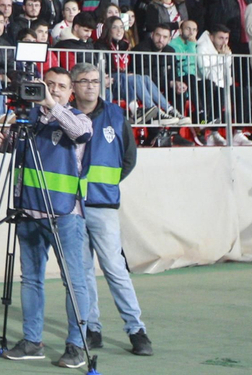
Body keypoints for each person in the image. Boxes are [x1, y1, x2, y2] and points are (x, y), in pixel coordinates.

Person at [0, 67, 94, 368]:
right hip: (28, 211)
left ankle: (76, 344)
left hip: (64, 215)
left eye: (61, 86)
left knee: (73, 282)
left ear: (70, 91)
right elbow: (11, 148)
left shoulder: (78, 117)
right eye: (49, 85)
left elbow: (81, 133)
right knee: (31, 279)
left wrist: (51, 104)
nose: (55, 90)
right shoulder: (26, 121)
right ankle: (32, 341)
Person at [69, 63, 153, 356]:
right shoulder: (63, 116)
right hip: (72, 207)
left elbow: (128, 159)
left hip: (103, 206)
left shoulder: (117, 116)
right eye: (84, 81)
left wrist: (106, 186)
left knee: (115, 268)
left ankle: (136, 330)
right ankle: (92, 328)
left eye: (95, 81)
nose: (91, 86)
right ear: (74, 85)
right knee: (81, 272)